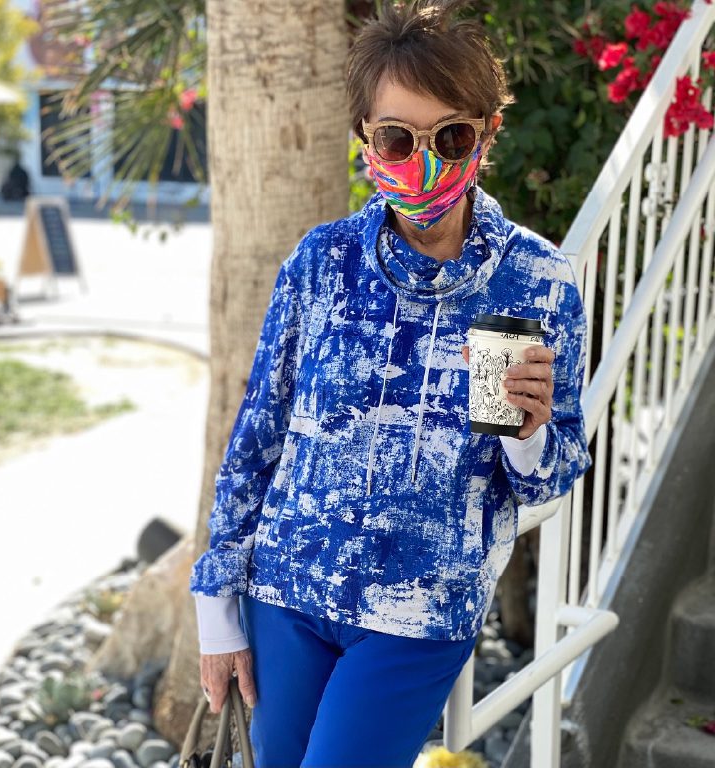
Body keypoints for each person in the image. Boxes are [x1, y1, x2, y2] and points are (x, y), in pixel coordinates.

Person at [189, 1, 591, 766]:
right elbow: (257, 435)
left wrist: (532, 434)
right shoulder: (321, 262)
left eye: (452, 136)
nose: (425, 159)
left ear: (486, 133)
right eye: (397, 138)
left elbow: (551, 479)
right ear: (365, 143)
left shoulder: (536, 279)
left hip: (418, 613)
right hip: (286, 595)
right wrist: (219, 611)